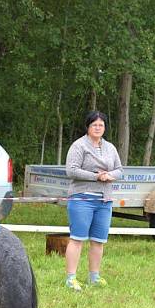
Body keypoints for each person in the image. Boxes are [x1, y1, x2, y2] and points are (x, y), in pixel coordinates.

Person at [64, 110, 123, 291]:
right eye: (94, 125)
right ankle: (71, 278)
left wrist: (109, 175)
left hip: (104, 201)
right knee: (77, 238)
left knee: (98, 240)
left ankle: (94, 277)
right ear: (88, 127)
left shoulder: (110, 148)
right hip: (82, 199)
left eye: (101, 125)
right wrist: (95, 177)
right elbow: (71, 170)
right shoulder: (78, 146)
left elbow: (120, 170)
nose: (98, 128)